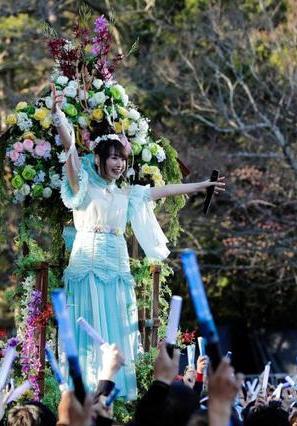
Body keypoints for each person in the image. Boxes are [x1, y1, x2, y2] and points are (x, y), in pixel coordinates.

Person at [51, 83, 226, 399]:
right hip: (87, 259)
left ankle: (114, 392)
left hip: (117, 260)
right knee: (89, 319)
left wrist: (202, 185)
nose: (118, 163)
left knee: (117, 320)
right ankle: (87, 391)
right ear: (100, 159)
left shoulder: (125, 193)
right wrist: (58, 114)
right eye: (112, 157)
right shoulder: (84, 186)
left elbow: (163, 191)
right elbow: (70, 149)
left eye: (121, 158)